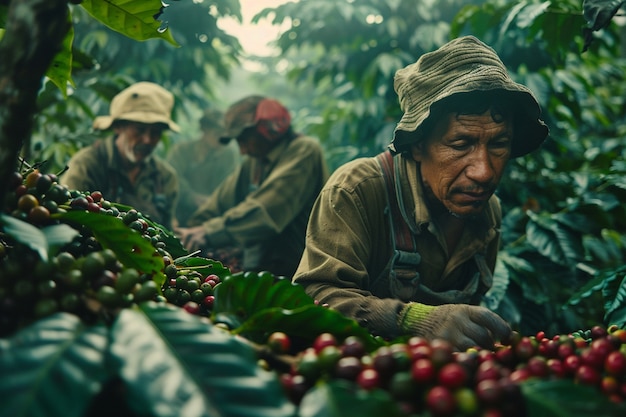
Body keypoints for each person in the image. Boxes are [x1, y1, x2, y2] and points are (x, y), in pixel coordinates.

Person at [292, 36, 550, 351]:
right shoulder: (358, 190)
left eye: (498, 144)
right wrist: (415, 320)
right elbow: (315, 295)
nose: (483, 172)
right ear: (417, 145)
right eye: (461, 144)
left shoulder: (487, 211)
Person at [175, 95, 329, 278]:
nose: (242, 150)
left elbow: (265, 211)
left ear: (267, 130)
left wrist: (209, 231)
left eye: (244, 140)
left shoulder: (304, 151)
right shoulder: (255, 161)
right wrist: (189, 234)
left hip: (300, 272)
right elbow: (219, 203)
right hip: (261, 271)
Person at [61, 81, 180, 229]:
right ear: (118, 127)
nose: (147, 140)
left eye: (155, 133)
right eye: (139, 130)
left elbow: (166, 235)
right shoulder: (86, 165)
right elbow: (67, 219)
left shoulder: (165, 177)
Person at [166, 108, 241, 227]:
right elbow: (172, 178)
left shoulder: (228, 155)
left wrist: (213, 201)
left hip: (211, 217)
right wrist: (192, 197)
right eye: (217, 134)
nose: (222, 140)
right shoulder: (182, 151)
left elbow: (229, 184)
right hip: (179, 214)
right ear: (204, 130)